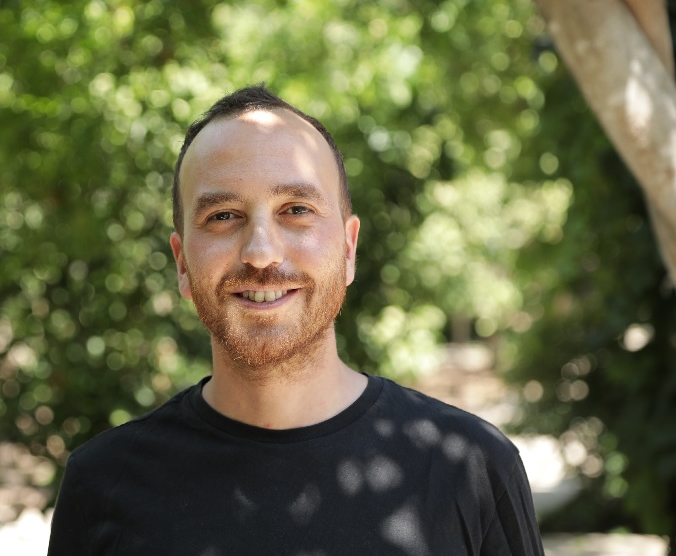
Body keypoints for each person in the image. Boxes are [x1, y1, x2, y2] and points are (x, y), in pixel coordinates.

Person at [47, 85, 545, 555]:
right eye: (223, 216)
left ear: (348, 249)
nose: (261, 252)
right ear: (182, 263)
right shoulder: (103, 485)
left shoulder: (471, 468)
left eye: (296, 209)